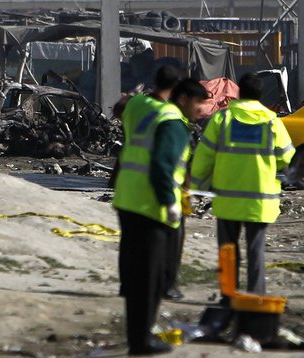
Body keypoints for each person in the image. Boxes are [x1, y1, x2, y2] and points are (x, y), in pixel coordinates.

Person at [113, 78, 208, 355]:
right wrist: (170, 202)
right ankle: (142, 341)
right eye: (198, 102)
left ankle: (136, 337)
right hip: (150, 207)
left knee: (135, 276)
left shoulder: (146, 109)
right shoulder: (174, 124)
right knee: (149, 280)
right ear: (183, 100)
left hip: (128, 199)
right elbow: (162, 165)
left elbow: (122, 110)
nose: (202, 109)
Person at [190, 73, 295, 304]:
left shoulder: (222, 119)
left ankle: (228, 295)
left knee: (228, 251)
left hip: (228, 200)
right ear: (260, 94)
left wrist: (197, 186)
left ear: (238, 93)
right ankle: (256, 296)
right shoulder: (272, 121)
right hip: (260, 202)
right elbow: (288, 158)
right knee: (256, 252)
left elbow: (204, 157)